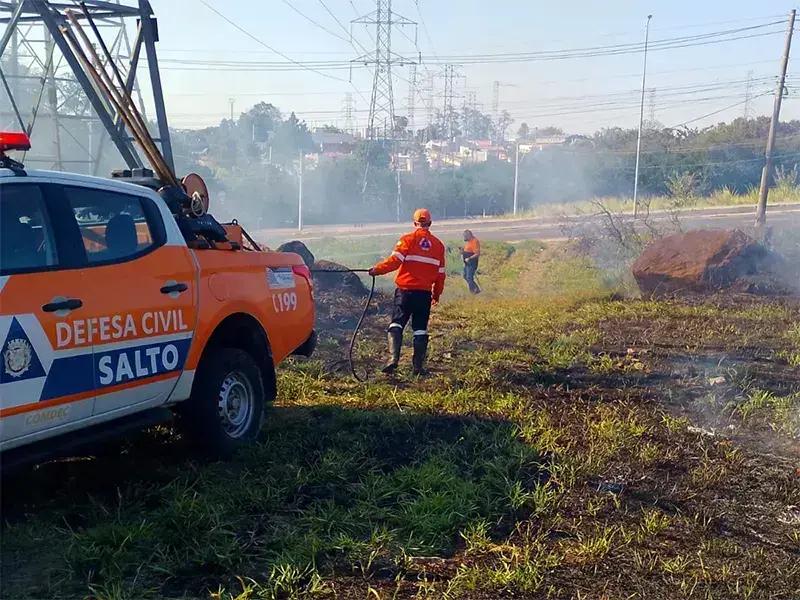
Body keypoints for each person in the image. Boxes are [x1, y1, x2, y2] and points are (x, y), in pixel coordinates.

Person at [369, 208, 446, 375]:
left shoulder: (407, 240)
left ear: (414, 223)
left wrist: (377, 270)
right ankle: (418, 368)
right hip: (424, 294)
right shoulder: (439, 246)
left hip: (405, 292)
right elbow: (441, 275)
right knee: (420, 329)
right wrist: (436, 294)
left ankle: (393, 360)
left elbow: (394, 262)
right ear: (430, 224)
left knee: (396, 323)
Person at [461, 229, 481, 294]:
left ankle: (473, 292)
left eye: (465, 236)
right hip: (467, 262)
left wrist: (469, 258)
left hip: (472, 263)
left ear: (469, 235)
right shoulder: (469, 242)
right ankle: (476, 289)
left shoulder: (475, 241)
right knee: (465, 276)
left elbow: (477, 254)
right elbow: (468, 250)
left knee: (469, 277)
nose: (464, 238)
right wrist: (462, 251)